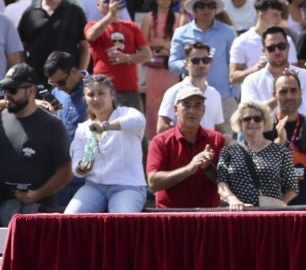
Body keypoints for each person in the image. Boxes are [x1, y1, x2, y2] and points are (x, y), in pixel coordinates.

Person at [64, 74, 147, 213]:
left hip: (128, 186)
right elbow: (76, 165)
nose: (96, 98)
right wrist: (81, 168)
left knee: (121, 224)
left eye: (101, 93)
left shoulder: (127, 113)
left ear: (112, 95)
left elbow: (137, 120)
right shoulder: (83, 128)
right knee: (70, 219)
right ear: (85, 99)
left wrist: (105, 126)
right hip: (94, 186)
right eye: (90, 94)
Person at [0, 62, 71, 221]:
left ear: (31, 91)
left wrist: (37, 194)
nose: (6, 95)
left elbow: (66, 170)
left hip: (36, 211)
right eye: (4, 90)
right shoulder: (2, 114)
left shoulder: (53, 126)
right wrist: (7, 102)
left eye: (12, 90)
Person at [145, 84, 225, 209]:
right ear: (175, 110)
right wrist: (189, 169)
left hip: (208, 214)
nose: (192, 111)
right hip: (171, 215)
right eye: (186, 105)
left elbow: (227, 181)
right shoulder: (160, 141)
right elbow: (153, 183)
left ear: (203, 110)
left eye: (197, 105)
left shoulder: (217, 139)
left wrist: (208, 168)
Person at [216, 100, 300, 209]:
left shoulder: (281, 151)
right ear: (240, 124)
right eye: (246, 119)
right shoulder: (228, 151)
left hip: (270, 217)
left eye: (257, 119)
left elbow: (292, 188)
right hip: (238, 214)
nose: (252, 122)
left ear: (264, 123)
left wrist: (276, 206)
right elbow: (221, 182)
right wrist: (232, 199)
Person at [82, 0, 148, 112]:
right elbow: (91, 36)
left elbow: (147, 55)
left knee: (133, 126)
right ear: (98, 5)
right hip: (102, 88)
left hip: (129, 88)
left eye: (114, 1)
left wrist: (127, 58)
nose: (110, 5)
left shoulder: (131, 27)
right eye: (106, 1)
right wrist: (109, 16)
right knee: (103, 126)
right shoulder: (92, 24)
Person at [19, 0, 86, 82]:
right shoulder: (30, 12)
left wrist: (81, 72)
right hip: (37, 78)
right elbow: (21, 47)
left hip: (68, 80)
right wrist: (25, 73)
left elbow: (85, 46)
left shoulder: (75, 12)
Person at [168, 0, 238, 99]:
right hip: (191, 96)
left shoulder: (228, 32)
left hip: (223, 95)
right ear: (194, 10)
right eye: (201, 6)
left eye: (210, 6)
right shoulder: (181, 33)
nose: (206, 9)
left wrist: (235, 94)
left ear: (215, 10)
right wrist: (191, 63)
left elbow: (234, 63)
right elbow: (172, 64)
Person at [238, 27, 306, 118]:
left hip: (298, 129)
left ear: (288, 47)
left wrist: (296, 88)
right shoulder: (251, 80)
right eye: (271, 48)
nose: (277, 51)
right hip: (264, 130)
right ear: (264, 51)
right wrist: (279, 96)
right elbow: (248, 114)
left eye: (281, 46)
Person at [266, 71, 306, 206]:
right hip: (273, 207)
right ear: (274, 95)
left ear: (300, 93)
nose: (289, 96)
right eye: (283, 91)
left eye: (293, 90)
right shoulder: (264, 127)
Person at [230, 0, 291, 79]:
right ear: (262, 16)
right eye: (275, 15)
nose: (279, 19)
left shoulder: (287, 40)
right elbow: (233, 77)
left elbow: (294, 70)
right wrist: (255, 69)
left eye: (280, 15)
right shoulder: (241, 41)